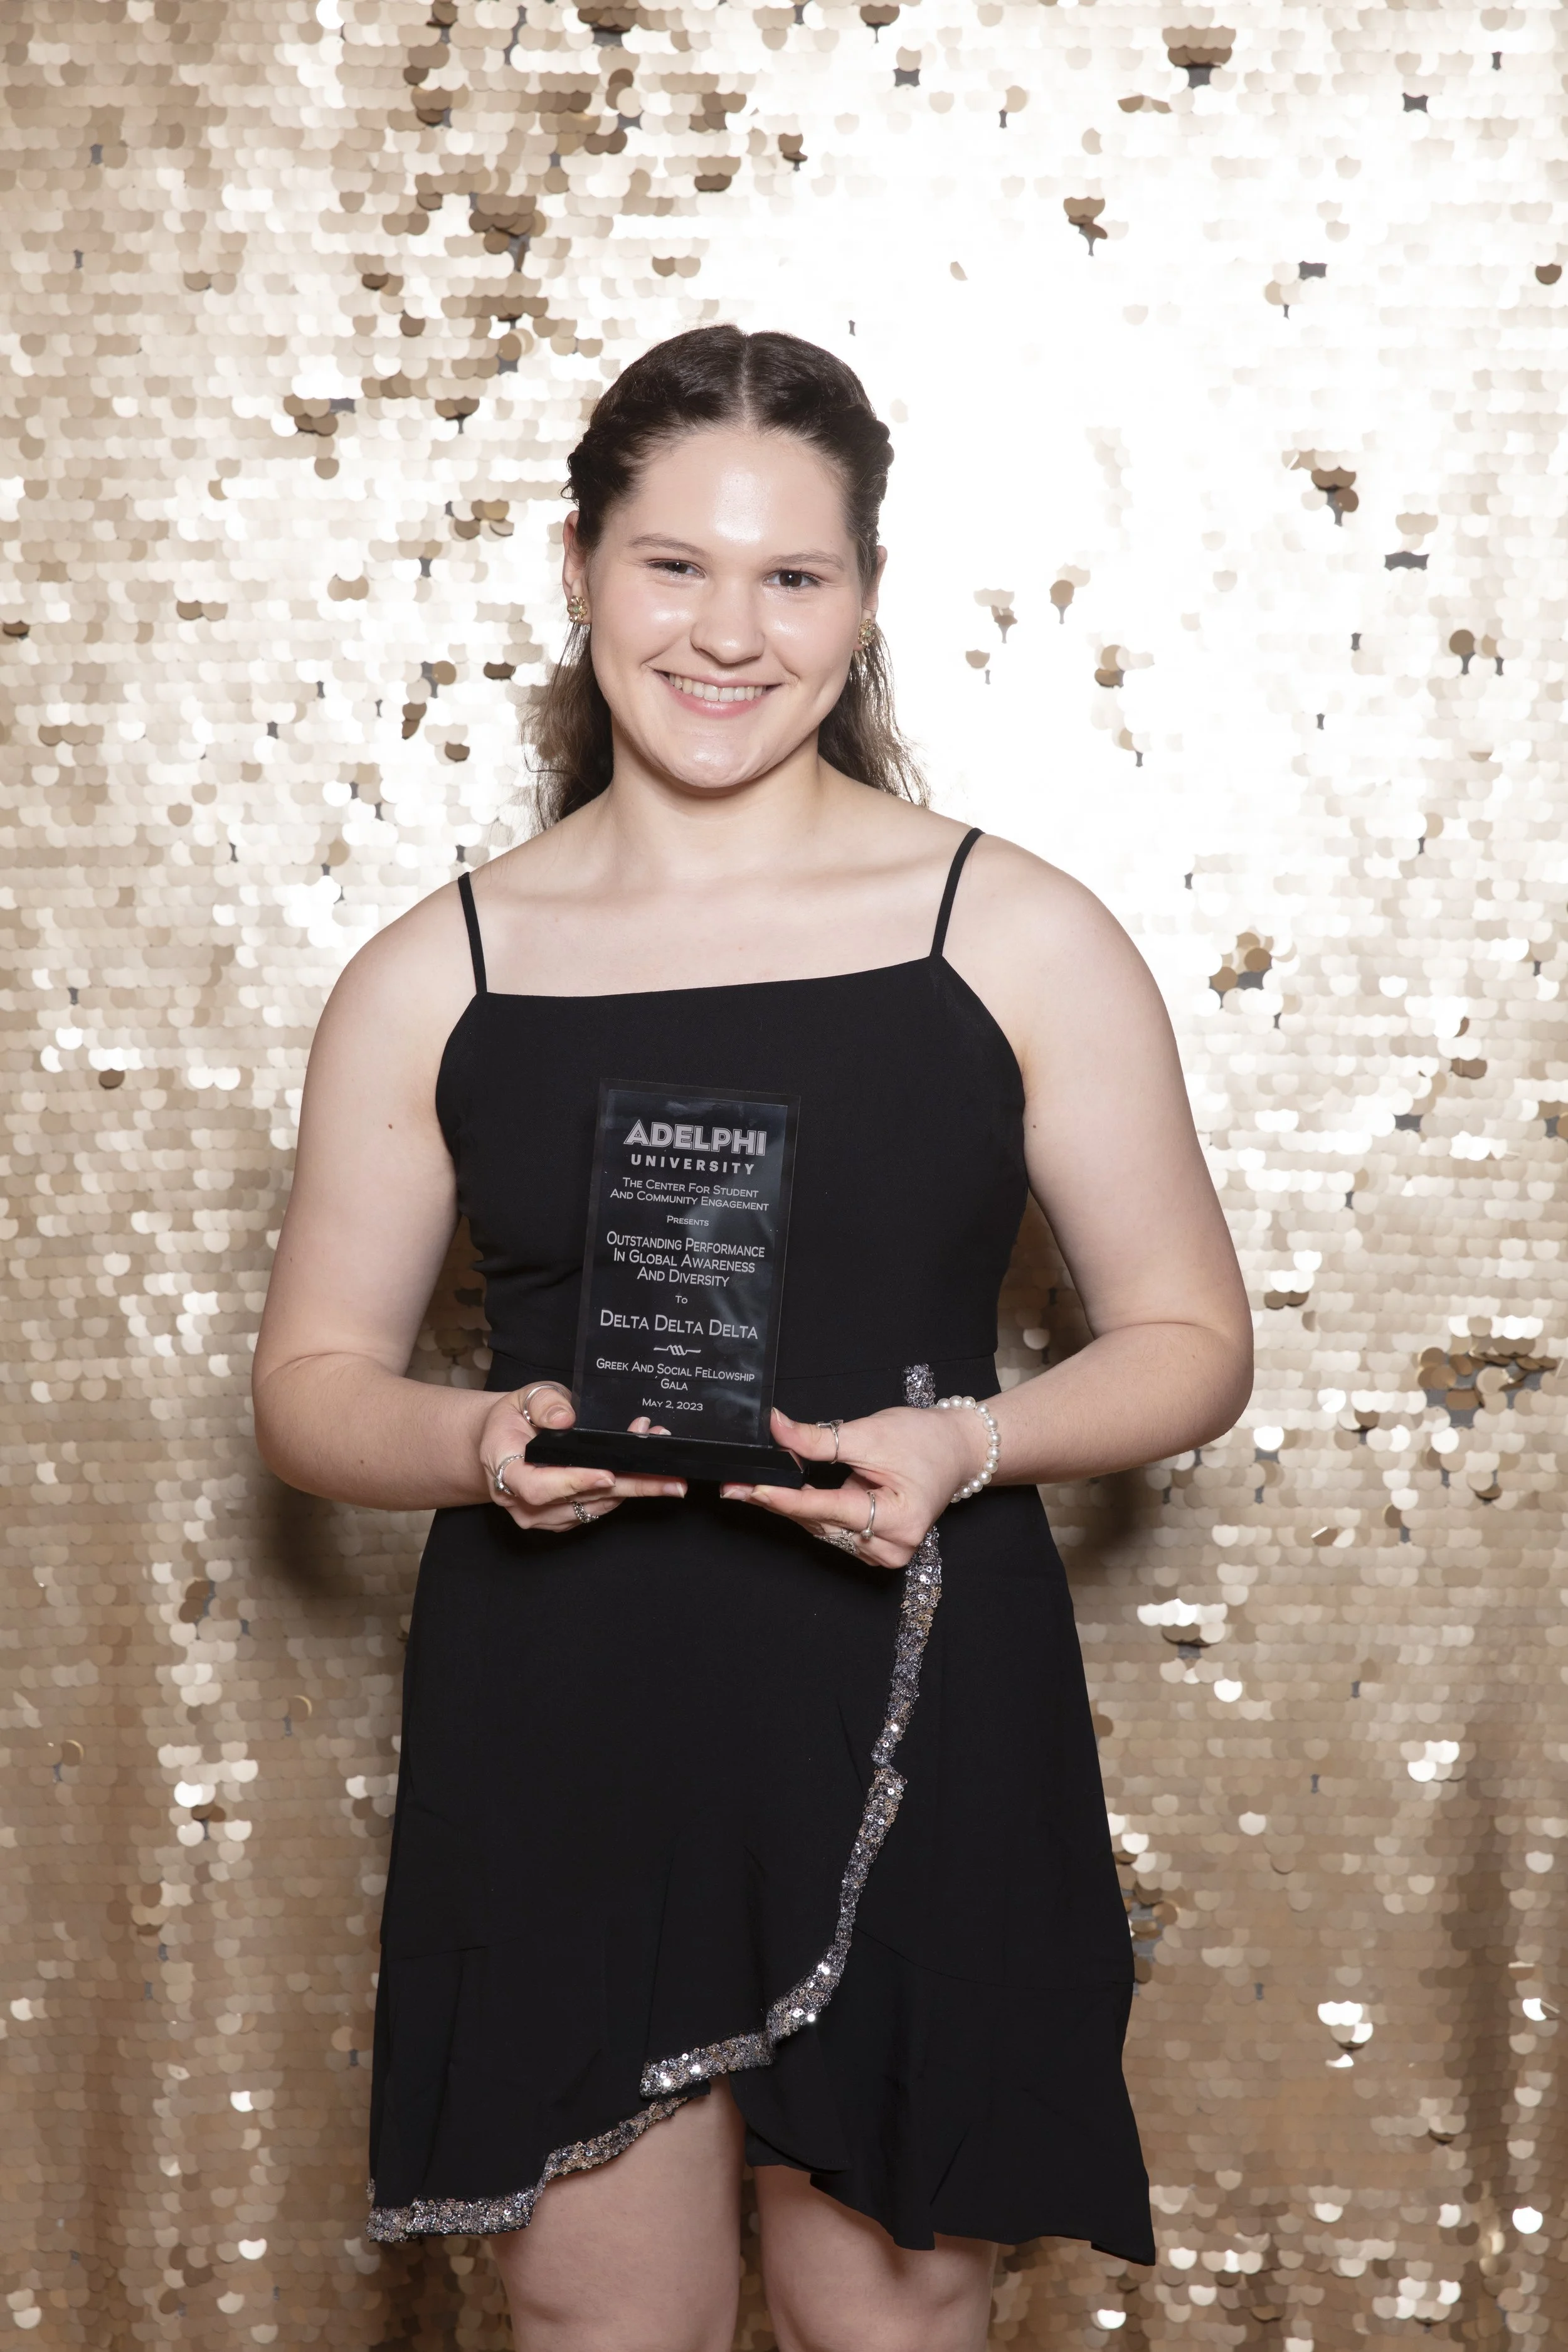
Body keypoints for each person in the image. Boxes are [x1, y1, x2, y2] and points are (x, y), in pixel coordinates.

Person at [253, 325, 1253, 2352]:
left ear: (864, 599)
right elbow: (309, 1388)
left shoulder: (1010, 927)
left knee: (886, 2310)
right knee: (587, 2321)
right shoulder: (435, 966)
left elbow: (1185, 1336)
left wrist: (965, 1443)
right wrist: (472, 1446)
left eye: (790, 577)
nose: (728, 631)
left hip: (907, 1672)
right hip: (568, 1710)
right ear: (578, 569)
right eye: (672, 566)